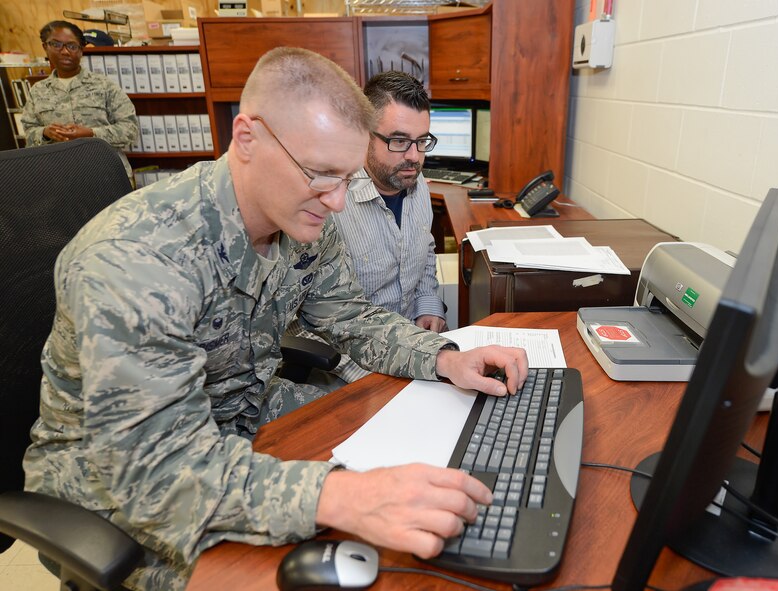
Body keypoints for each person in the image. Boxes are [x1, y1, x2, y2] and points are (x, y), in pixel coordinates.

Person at [23, 47, 528, 591]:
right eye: (320, 175)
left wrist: (446, 357)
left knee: (419, 456)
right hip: (123, 485)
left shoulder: (304, 215)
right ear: (247, 138)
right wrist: (342, 496)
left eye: (345, 176)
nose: (338, 201)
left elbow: (351, 318)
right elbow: (155, 474)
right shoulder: (138, 261)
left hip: (244, 412)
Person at [293, 71, 447, 384]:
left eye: (422, 142)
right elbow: (302, 317)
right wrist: (363, 377)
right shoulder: (329, 203)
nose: (414, 157)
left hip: (409, 350)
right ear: (364, 133)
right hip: (349, 371)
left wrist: (429, 305)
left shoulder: (418, 188)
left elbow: (426, 249)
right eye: (399, 141)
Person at [20, 20, 138, 178]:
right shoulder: (38, 91)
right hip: (59, 178)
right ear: (45, 47)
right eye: (56, 45)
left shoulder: (104, 86)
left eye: (72, 46)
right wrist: (45, 133)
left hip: (106, 175)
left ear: (81, 50)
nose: (65, 52)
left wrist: (91, 133)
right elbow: (28, 132)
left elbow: (130, 130)